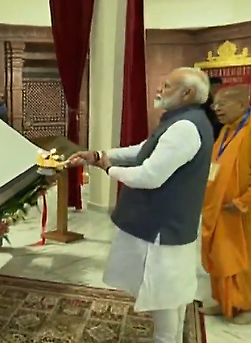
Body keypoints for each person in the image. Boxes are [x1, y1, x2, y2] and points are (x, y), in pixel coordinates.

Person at [68, 67, 214, 343]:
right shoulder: (184, 120)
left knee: (162, 291)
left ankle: (166, 339)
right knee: (171, 290)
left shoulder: (184, 127)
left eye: (167, 86)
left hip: (160, 225)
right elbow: (144, 149)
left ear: (187, 93)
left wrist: (109, 169)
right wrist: (99, 155)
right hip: (169, 221)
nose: (160, 89)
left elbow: (149, 176)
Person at [201, 85, 251, 324]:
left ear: (242, 105)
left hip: (241, 213)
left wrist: (242, 202)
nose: (216, 109)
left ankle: (246, 306)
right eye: (215, 104)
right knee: (220, 257)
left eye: (222, 104)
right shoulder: (225, 131)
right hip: (218, 208)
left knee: (240, 260)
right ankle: (225, 301)